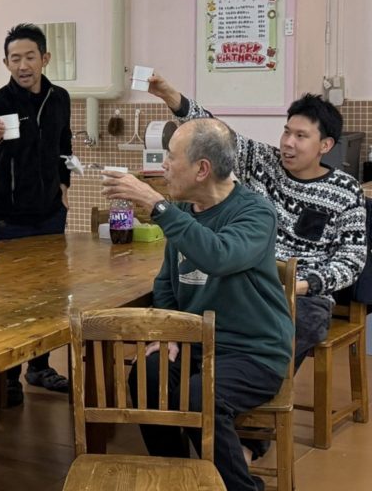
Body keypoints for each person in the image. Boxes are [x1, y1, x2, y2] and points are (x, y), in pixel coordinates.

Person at [101, 118, 292, 491]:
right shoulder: (185, 214)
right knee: (145, 376)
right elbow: (167, 285)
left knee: (199, 395)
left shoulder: (255, 213)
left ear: (202, 168)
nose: (163, 165)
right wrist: (169, 332)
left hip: (255, 351)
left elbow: (219, 255)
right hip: (198, 344)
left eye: (172, 158)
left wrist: (158, 207)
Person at [145, 75, 366, 373]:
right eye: (286, 132)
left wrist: (304, 285)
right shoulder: (264, 161)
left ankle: (255, 393)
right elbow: (216, 135)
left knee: (273, 341)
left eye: (301, 136)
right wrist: (170, 96)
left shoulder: (345, 190)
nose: (288, 143)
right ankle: (203, 386)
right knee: (208, 325)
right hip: (247, 286)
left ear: (325, 145)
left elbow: (352, 260)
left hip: (305, 298)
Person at [0, 22, 73, 402]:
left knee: (48, 295)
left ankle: (39, 367)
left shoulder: (59, 98)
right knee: (10, 301)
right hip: (8, 214)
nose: (22, 65)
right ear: (6, 63)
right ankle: (9, 377)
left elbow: (64, 143)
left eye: (30, 57)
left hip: (50, 212)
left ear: (44, 58)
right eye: (15, 59)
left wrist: (64, 186)